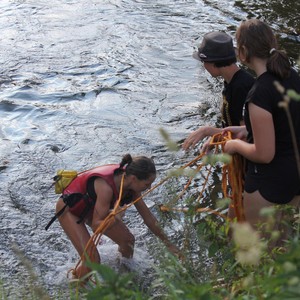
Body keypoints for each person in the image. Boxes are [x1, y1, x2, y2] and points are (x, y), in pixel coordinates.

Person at [223, 19, 300, 241]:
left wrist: (234, 144)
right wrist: (244, 130)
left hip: (268, 186)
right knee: (281, 256)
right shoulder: (292, 77)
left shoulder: (259, 93)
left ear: (243, 51)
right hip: (294, 181)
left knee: (249, 254)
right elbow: (285, 126)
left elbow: (265, 154)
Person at [55, 154, 180, 279]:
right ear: (133, 179)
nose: (149, 188)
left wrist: (168, 243)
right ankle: (77, 287)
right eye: (147, 184)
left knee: (128, 241)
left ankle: (123, 274)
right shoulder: (106, 189)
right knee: (92, 260)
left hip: (94, 207)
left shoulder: (131, 186)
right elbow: (96, 225)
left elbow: (148, 218)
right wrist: (118, 216)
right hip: (70, 210)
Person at [182, 31, 254, 151]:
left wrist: (207, 131)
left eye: (204, 61)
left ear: (214, 63)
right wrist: (216, 137)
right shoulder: (231, 81)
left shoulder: (242, 87)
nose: (203, 66)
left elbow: (248, 134)